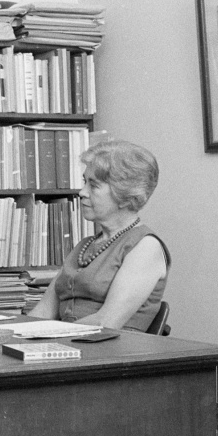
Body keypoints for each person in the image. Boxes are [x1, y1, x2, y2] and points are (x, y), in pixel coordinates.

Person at [29, 140, 169, 331]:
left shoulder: (145, 247)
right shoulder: (85, 245)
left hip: (107, 347)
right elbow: (42, 313)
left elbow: (105, 323)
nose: (82, 192)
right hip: (67, 343)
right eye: (84, 182)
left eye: (93, 185)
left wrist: (45, 336)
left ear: (125, 195)